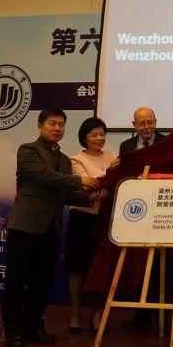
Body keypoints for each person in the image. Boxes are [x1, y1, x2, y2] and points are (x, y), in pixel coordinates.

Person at [2, 107, 105, 347]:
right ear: (40, 125)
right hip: (25, 226)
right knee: (17, 281)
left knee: (42, 280)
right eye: (52, 123)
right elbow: (45, 177)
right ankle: (13, 331)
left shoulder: (64, 159)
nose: (57, 128)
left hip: (52, 228)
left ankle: (33, 326)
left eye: (61, 124)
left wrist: (91, 198)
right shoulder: (28, 150)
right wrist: (80, 181)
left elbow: (65, 194)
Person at [65, 116, 118, 334]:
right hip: (82, 219)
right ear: (84, 138)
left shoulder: (114, 158)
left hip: (105, 220)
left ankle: (97, 313)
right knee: (77, 268)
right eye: (94, 135)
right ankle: (75, 313)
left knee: (102, 269)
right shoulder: (75, 160)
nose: (99, 138)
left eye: (102, 134)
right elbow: (89, 185)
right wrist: (109, 175)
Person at [118, 106, 167, 331]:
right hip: (136, 212)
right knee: (137, 263)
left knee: (159, 263)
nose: (147, 127)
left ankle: (161, 313)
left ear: (155, 122)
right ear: (134, 125)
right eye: (142, 123)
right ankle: (141, 312)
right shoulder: (126, 146)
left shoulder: (167, 143)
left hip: (161, 211)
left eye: (150, 122)